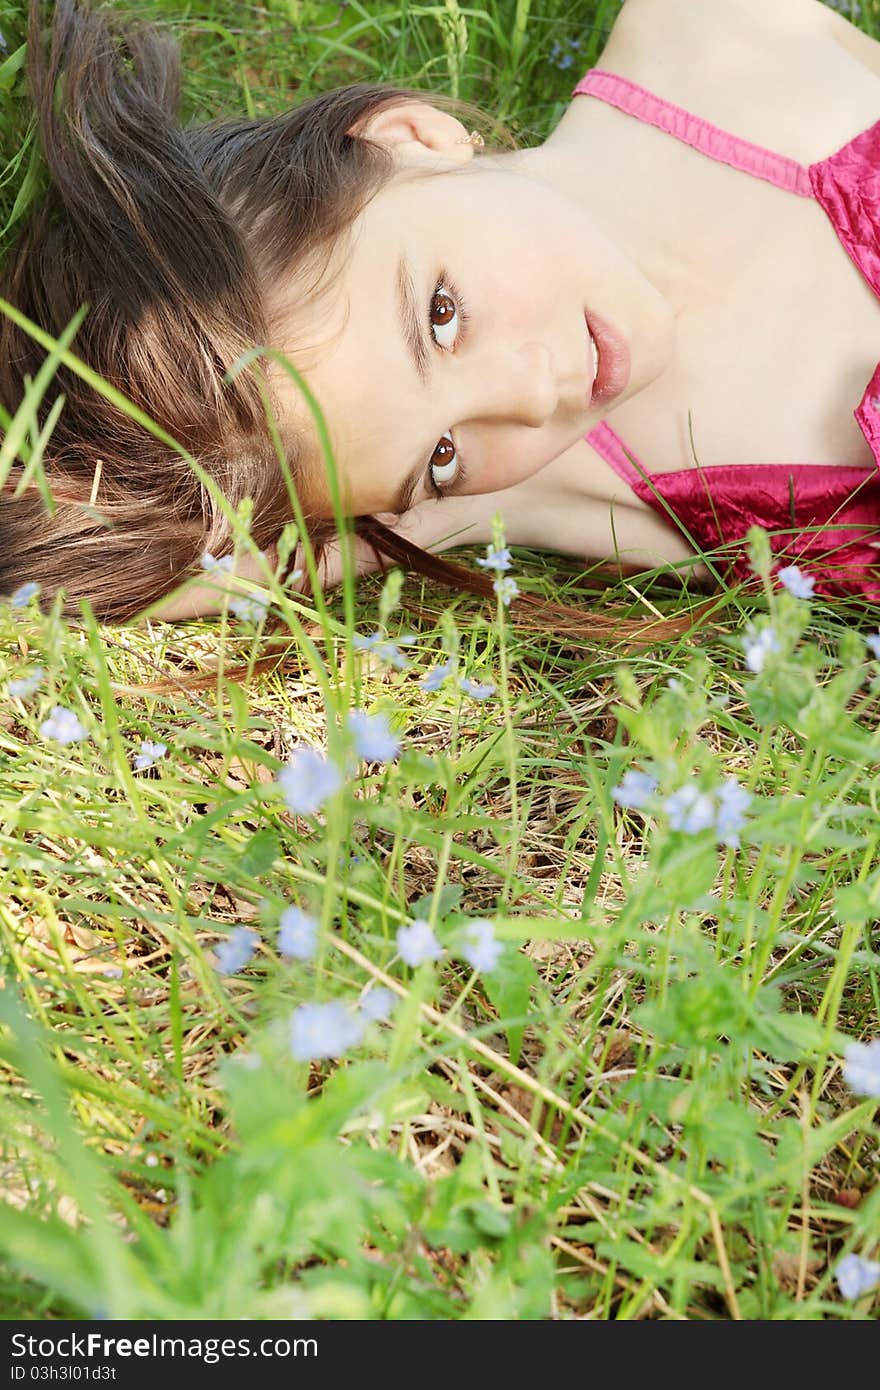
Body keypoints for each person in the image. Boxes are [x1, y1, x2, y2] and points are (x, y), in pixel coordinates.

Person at [3, 0, 880, 638]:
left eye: (444, 316)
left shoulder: (710, 36)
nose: (535, 396)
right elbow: (172, 579)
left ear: (409, 138)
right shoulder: (551, 484)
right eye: (442, 456)